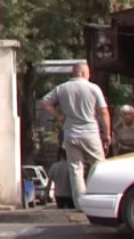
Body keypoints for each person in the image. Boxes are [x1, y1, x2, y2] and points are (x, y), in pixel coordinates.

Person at [41, 62, 110, 208]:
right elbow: (103, 112)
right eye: (88, 73)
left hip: (70, 133)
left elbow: (45, 102)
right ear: (84, 73)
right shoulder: (93, 88)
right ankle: (102, 198)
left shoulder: (62, 88)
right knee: (99, 166)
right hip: (90, 132)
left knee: (75, 169)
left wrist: (59, 116)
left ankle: (80, 204)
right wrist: (107, 134)